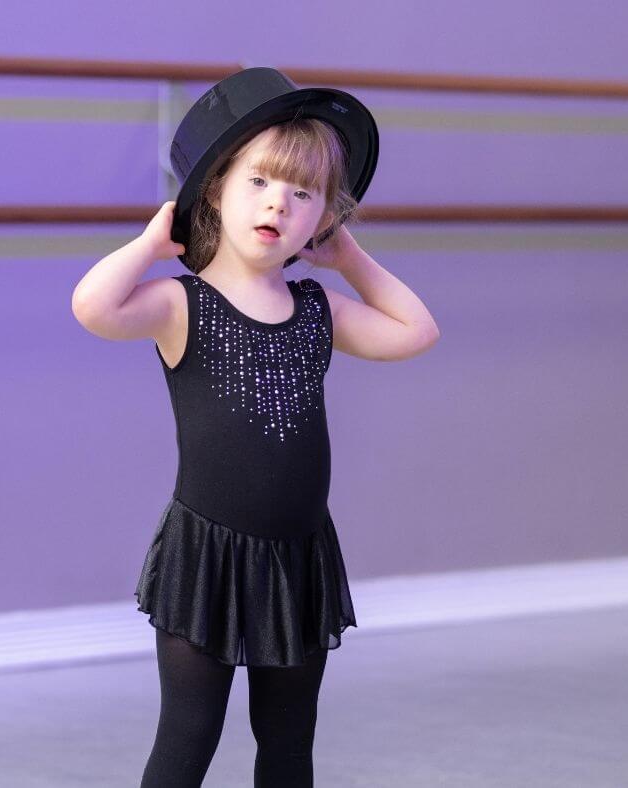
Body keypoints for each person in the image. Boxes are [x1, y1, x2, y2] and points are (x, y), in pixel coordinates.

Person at [71, 68, 440, 788]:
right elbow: (93, 306)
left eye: (303, 195)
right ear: (215, 190)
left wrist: (349, 256)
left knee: (288, 742)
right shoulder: (182, 304)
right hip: (204, 555)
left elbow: (416, 331)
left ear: (321, 217)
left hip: (298, 560)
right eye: (261, 183)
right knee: (187, 738)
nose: (280, 203)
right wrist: (150, 244)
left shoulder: (317, 309)